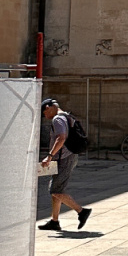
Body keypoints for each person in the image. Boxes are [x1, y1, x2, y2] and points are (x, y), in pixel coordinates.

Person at [37, 98, 93, 233]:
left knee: (55, 190)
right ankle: (54, 221)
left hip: (65, 158)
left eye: (44, 113)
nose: (45, 116)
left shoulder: (57, 119)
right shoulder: (67, 116)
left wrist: (49, 156)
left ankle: (81, 211)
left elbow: (61, 138)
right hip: (66, 157)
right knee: (57, 189)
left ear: (49, 107)